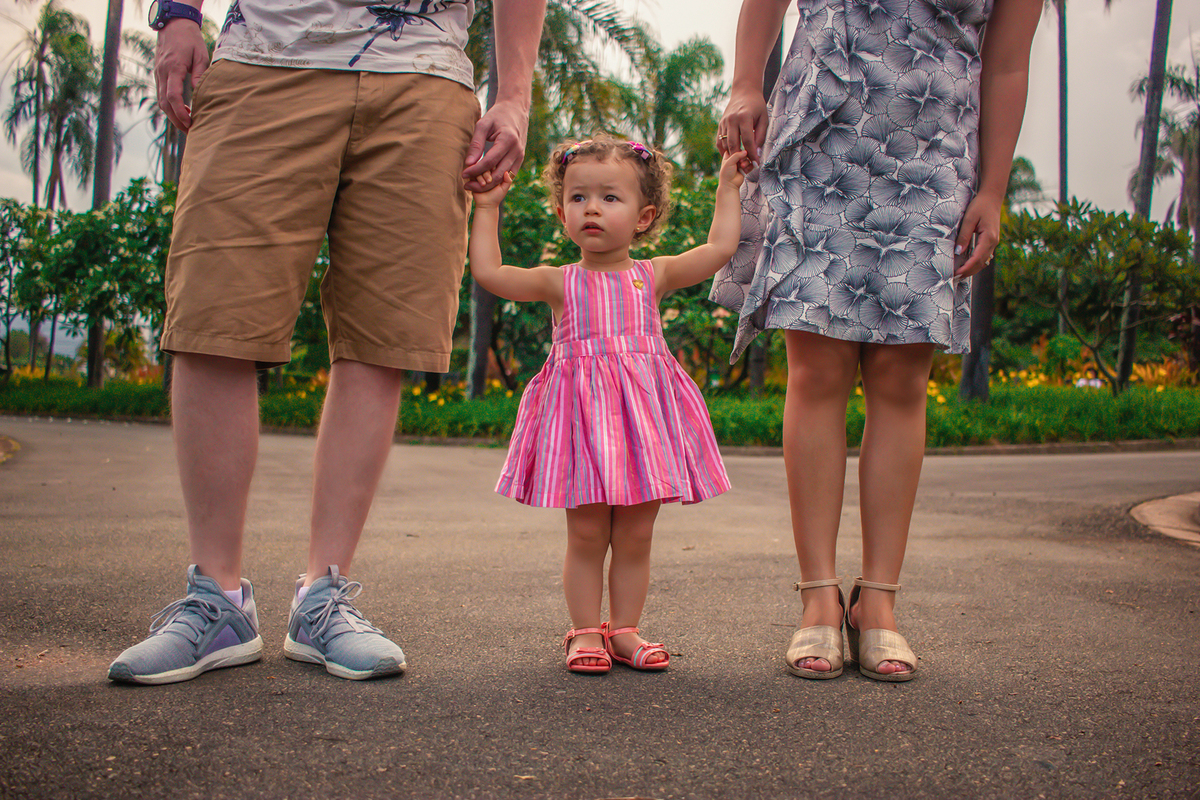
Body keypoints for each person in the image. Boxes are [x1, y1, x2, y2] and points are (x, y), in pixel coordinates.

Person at [107, 0, 547, 684]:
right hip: (265, 59)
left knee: (383, 335)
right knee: (214, 317)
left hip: (427, 78)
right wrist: (178, 15)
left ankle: (324, 596)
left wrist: (514, 94)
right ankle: (215, 599)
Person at [713, 0, 1041, 681]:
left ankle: (880, 604)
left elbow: (1007, 63)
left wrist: (995, 189)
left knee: (900, 379)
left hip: (934, 153)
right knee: (816, 370)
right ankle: (819, 599)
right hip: (820, 136)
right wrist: (747, 82)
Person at [468, 136, 744, 673]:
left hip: (646, 430)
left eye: (609, 198)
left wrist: (728, 187)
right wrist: (487, 207)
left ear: (644, 217)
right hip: (584, 430)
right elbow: (489, 274)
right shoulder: (558, 282)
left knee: (637, 535)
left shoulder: (652, 276)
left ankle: (625, 630)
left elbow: (718, 251)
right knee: (589, 533)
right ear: (561, 211)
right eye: (578, 198)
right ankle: (584, 632)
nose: (591, 208)